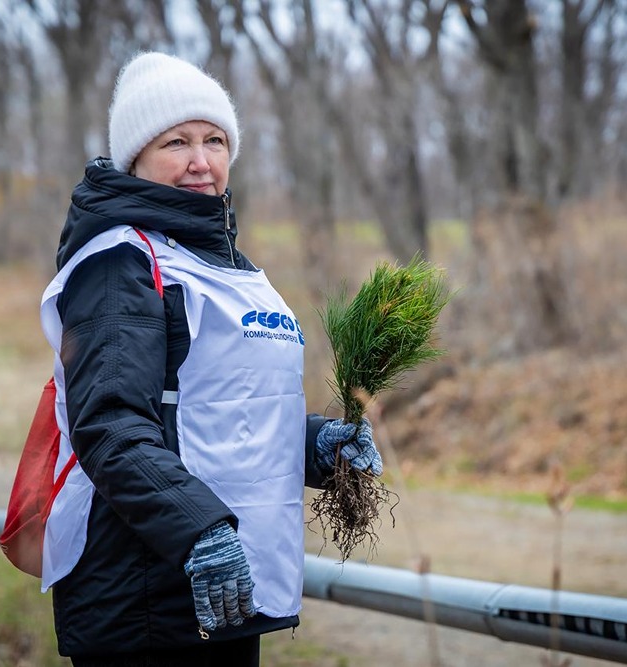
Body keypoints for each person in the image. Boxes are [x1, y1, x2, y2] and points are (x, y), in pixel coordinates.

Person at [37, 51, 384, 667]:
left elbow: (222, 416)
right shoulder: (121, 264)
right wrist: (200, 532)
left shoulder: (225, 266)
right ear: (136, 158)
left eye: (216, 140)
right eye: (177, 142)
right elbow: (111, 428)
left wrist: (317, 445)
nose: (201, 161)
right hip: (147, 596)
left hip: (222, 582)